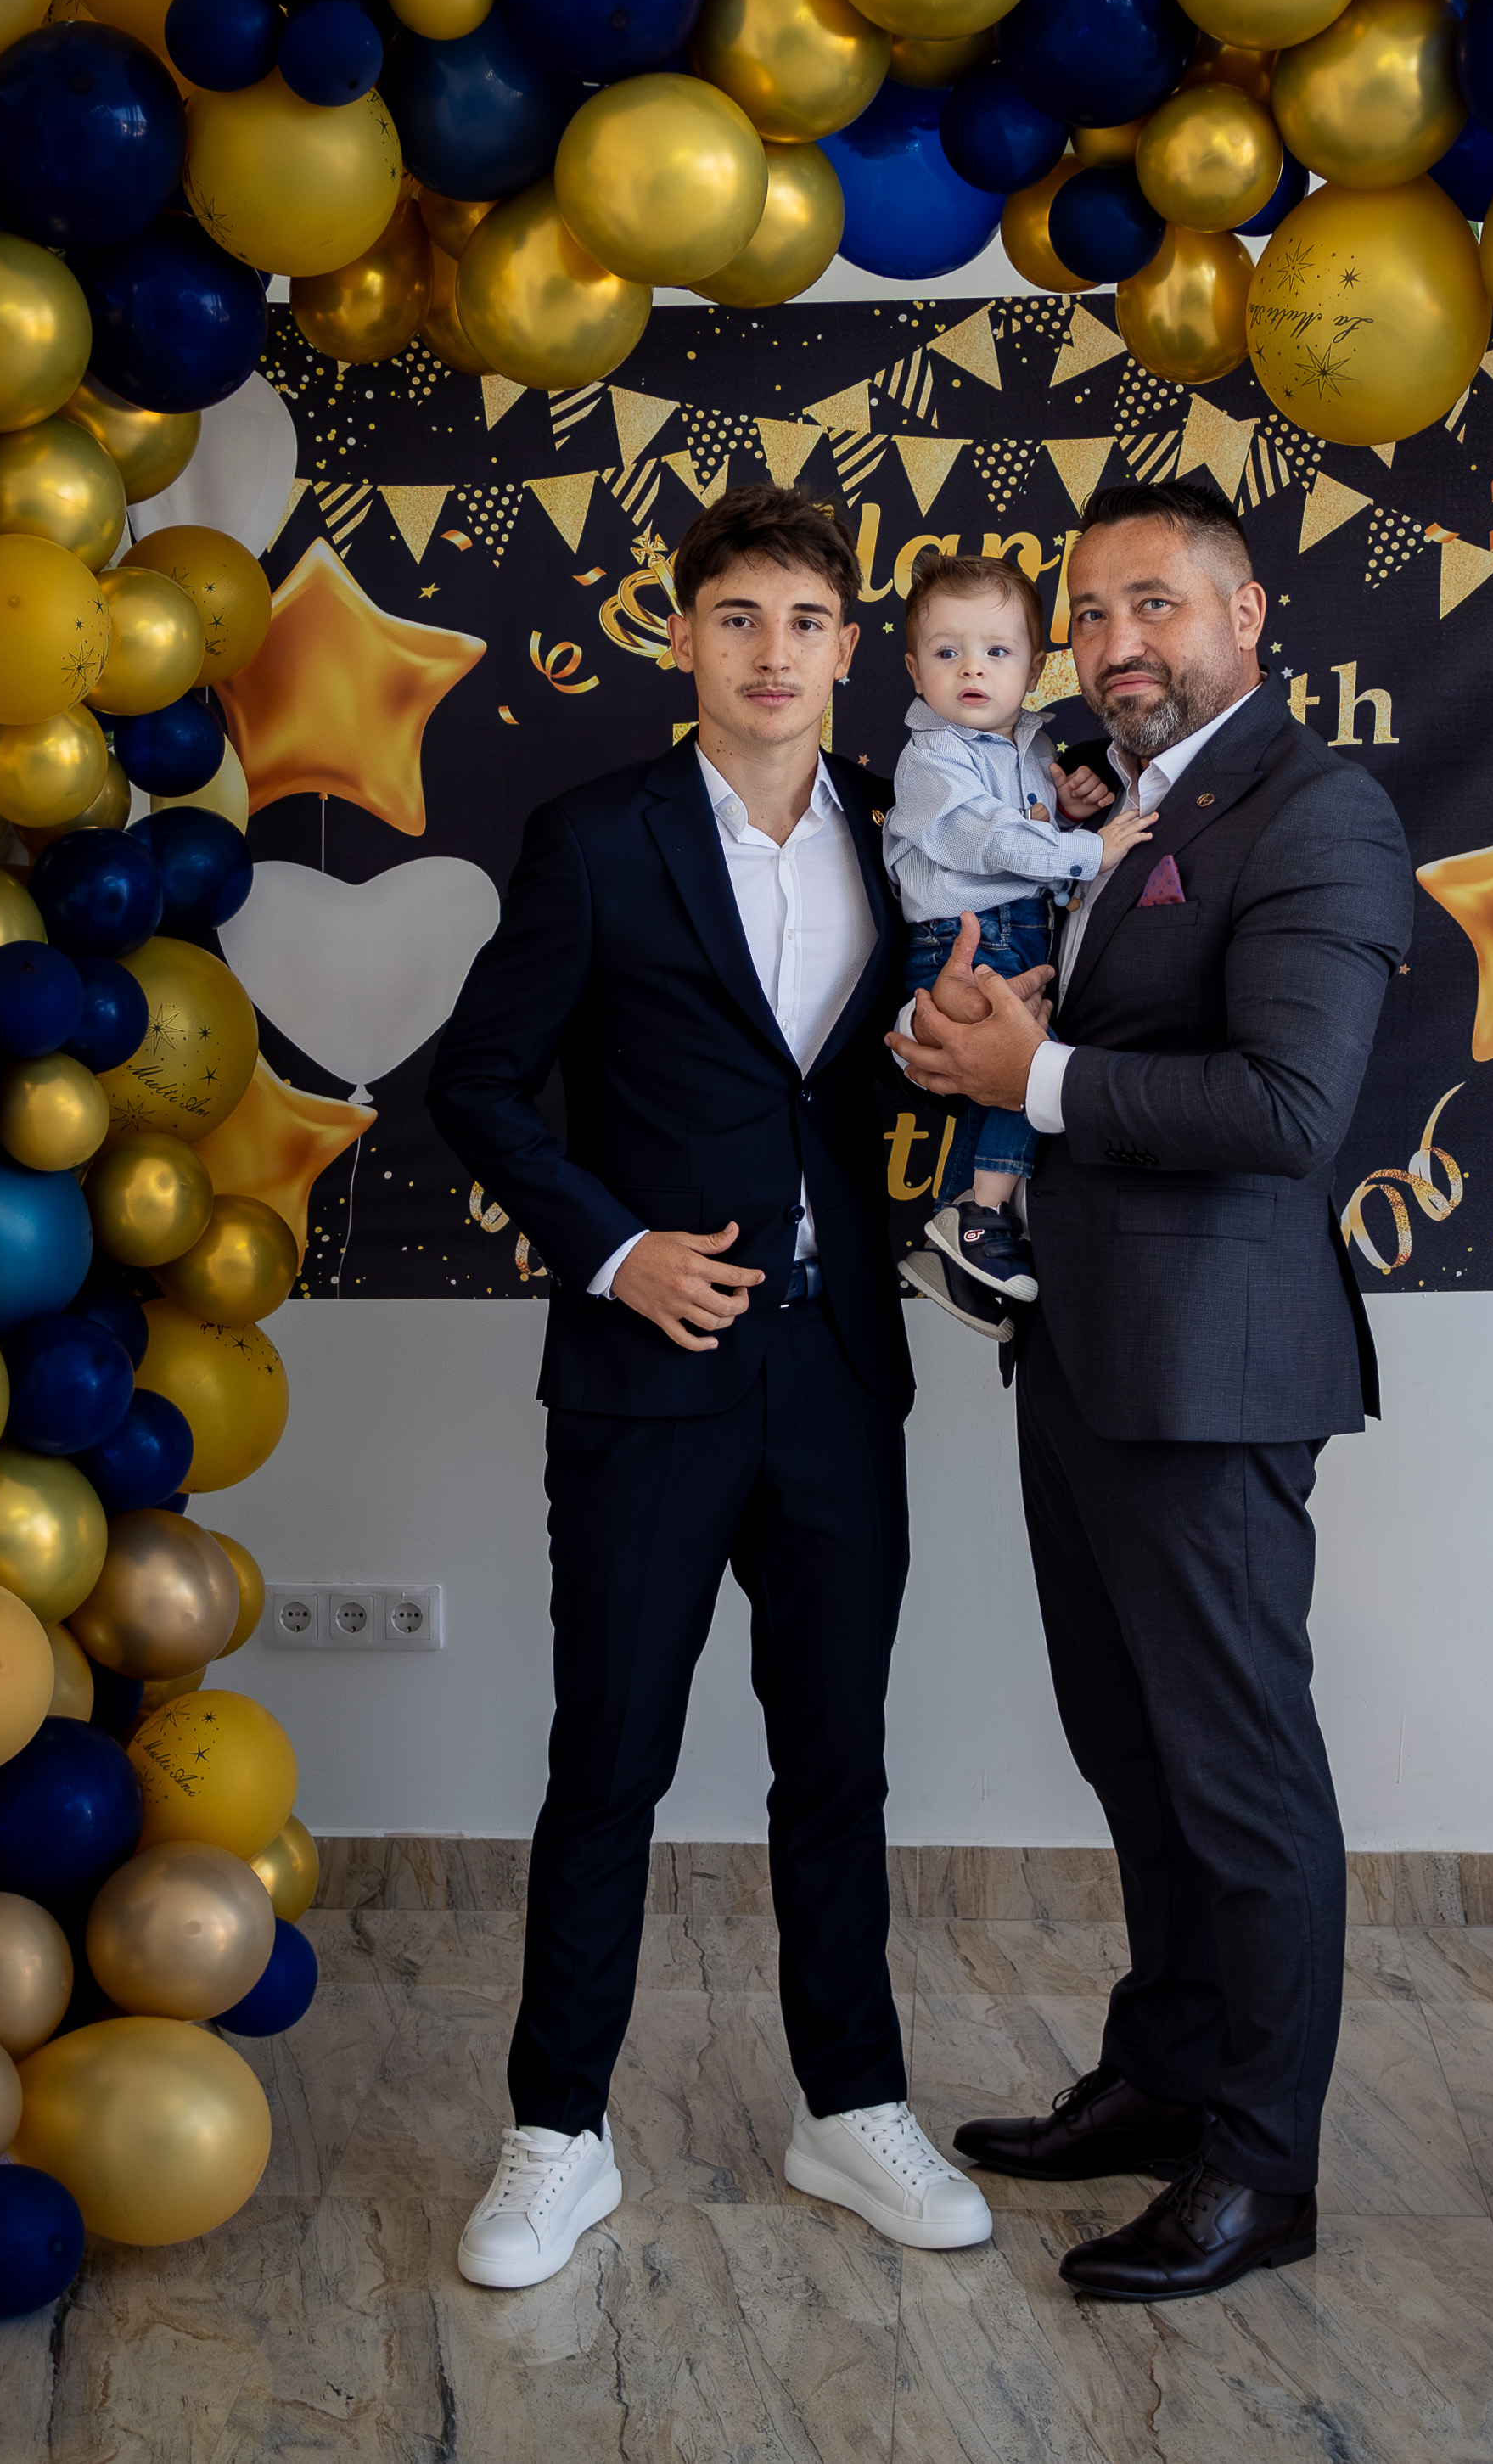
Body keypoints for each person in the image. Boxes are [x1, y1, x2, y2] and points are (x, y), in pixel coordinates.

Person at [426, 484, 1043, 2290]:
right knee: (607, 1756)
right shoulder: (592, 835)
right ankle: (557, 2130)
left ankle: (849, 2104)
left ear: (853, 648)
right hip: (648, 1366)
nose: (772, 653)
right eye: (736, 618)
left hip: (838, 1366)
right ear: (682, 636)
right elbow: (476, 1085)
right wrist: (615, 1249)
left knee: (834, 1757)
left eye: (805, 621)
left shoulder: (910, 830)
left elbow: (910, 1065)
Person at [888, 478, 1413, 2305]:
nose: (1115, 642)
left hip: (1211, 1369)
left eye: (1154, 604)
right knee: (1134, 1751)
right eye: (1090, 612)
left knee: (1239, 1773)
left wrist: (1028, 1080)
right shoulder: (1101, 807)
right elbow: (1075, 1043)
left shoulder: (1315, 808)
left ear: (1245, 616)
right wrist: (976, 1046)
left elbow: (1285, 1109)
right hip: (1083, 1349)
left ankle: (1261, 2167)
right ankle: (1165, 2073)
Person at [884, 550, 1156, 1328]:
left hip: (1021, 931)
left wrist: (1065, 811)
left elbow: (1026, 819)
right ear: (914, 669)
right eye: (947, 652)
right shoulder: (932, 757)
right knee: (1029, 1064)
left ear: (1034, 669)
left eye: (997, 651)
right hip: (966, 939)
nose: (972, 668)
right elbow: (988, 838)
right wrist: (1089, 849)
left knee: (1008, 1071)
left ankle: (964, 1217)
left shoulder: (1032, 747)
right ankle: (980, 1213)